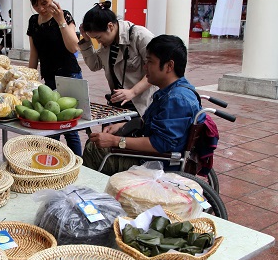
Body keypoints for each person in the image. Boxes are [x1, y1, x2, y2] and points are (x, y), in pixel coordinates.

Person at [83, 35, 203, 176]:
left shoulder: (177, 100)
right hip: (153, 155)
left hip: (156, 164)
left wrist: (116, 141)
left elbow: (160, 144)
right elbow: (148, 122)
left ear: (169, 66)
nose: (145, 67)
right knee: (97, 142)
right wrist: (122, 126)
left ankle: (93, 194)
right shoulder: (174, 90)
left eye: (150, 62)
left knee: (93, 149)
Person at [26, 0, 83, 156]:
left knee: (69, 128)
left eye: (44, 2)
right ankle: (54, 167)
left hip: (69, 77)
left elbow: (74, 47)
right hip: (49, 78)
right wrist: (29, 81)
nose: (41, 8)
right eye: (35, 4)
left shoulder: (64, 15)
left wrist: (60, 21)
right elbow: (34, 54)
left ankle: (78, 166)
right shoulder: (33, 21)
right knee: (49, 127)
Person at [79, 1, 156, 115]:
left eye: (98, 37)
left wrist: (132, 92)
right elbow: (94, 65)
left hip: (142, 104)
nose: (99, 42)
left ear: (110, 26)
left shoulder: (140, 36)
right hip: (119, 104)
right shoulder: (108, 42)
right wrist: (86, 41)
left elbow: (155, 71)